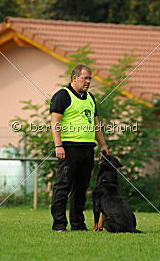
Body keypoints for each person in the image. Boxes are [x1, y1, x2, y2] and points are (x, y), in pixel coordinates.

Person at [50, 64, 108, 232]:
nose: (88, 81)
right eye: (85, 78)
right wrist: (58, 145)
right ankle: (59, 225)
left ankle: (78, 224)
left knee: (81, 190)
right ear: (74, 78)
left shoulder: (90, 98)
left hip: (87, 150)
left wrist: (103, 145)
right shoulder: (62, 96)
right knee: (63, 188)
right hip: (68, 149)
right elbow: (55, 122)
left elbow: (96, 124)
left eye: (90, 78)